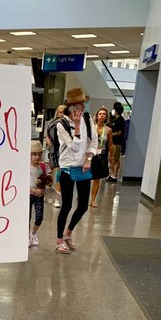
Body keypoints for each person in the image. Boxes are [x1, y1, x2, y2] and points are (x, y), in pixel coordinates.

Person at [54, 87, 98, 254]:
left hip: (83, 167)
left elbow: (94, 142)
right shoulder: (62, 124)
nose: (83, 108)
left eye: (83, 104)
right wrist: (77, 127)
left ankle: (68, 233)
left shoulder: (87, 118)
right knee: (66, 205)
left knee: (83, 206)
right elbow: (74, 147)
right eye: (80, 105)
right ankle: (59, 240)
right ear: (72, 107)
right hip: (67, 167)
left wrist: (88, 159)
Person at [29, 140, 51, 247]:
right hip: (29, 195)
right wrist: (34, 190)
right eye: (34, 154)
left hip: (40, 196)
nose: (37, 157)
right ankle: (26, 236)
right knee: (26, 217)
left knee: (39, 216)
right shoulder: (25, 167)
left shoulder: (43, 166)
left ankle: (33, 234)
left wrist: (44, 187)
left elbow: (49, 180)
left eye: (39, 154)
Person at [90, 107, 113, 207]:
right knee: (86, 177)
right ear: (97, 116)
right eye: (100, 114)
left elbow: (110, 145)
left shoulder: (108, 130)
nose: (102, 116)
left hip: (101, 155)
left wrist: (111, 156)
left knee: (97, 178)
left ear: (106, 117)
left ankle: (93, 199)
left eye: (104, 114)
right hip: (90, 154)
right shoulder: (91, 128)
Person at [45, 104, 65, 208]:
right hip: (52, 152)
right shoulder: (51, 123)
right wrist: (51, 145)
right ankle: (48, 191)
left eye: (64, 112)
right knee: (49, 172)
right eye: (60, 112)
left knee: (59, 175)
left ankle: (57, 198)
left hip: (63, 152)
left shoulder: (67, 124)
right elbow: (47, 136)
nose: (62, 114)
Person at [107, 102, 126, 183]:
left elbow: (119, 132)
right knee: (111, 159)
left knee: (116, 159)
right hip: (112, 142)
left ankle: (114, 176)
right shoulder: (114, 119)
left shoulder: (120, 120)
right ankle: (112, 175)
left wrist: (111, 135)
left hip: (117, 142)